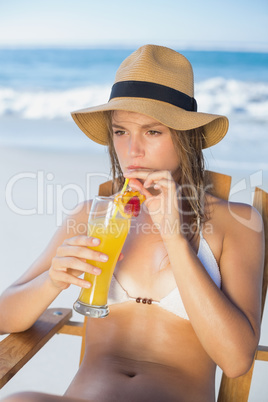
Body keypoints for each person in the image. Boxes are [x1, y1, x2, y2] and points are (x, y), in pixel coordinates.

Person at [0, 45, 264, 402]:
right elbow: (5, 317)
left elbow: (235, 360)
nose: (132, 150)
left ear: (185, 137)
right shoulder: (91, 215)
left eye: (152, 132)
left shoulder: (237, 222)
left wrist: (174, 238)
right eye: (121, 131)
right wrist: (52, 281)